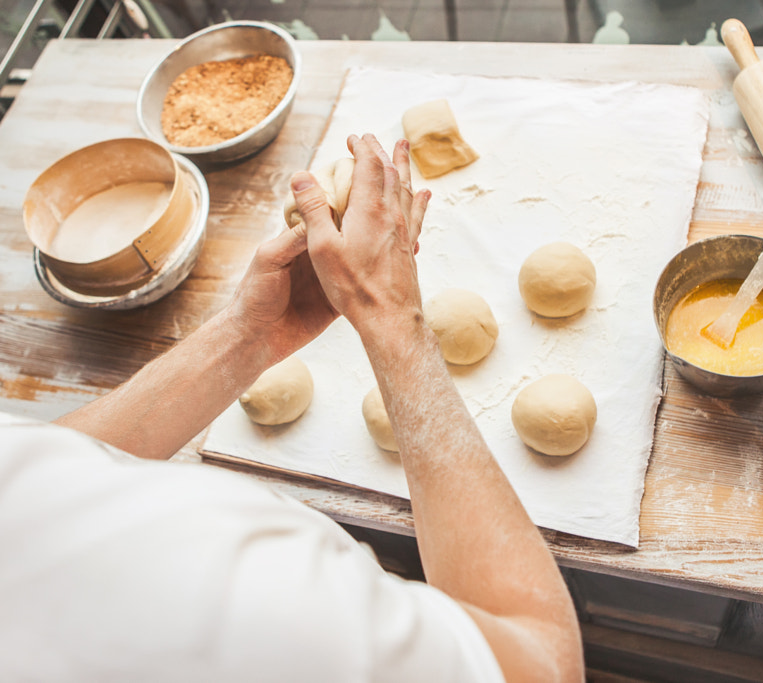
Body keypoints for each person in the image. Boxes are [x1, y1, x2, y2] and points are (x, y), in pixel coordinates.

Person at [0, 134, 584, 682]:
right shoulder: (262, 597)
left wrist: (248, 336)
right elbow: (539, 664)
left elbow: (59, 474)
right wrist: (392, 319)